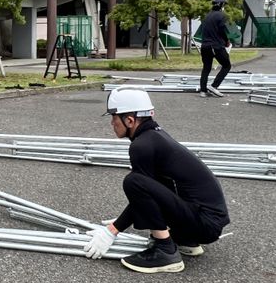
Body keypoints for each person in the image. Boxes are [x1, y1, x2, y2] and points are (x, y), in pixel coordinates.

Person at [84, 88, 230, 273]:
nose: (112, 122)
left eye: (114, 117)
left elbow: (141, 188)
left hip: (204, 223)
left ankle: (165, 251)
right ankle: (186, 241)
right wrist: (129, 217)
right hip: (206, 223)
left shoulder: (141, 146)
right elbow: (156, 190)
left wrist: (111, 231)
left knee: (133, 182)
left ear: (129, 120)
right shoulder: (155, 136)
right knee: (143, 183)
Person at [199, 0, 232, 98]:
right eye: (224, 4)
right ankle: (214, 86)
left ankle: (203, 91)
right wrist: (226, 40)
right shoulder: (221, 16)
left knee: (206, 68)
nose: (224, 7)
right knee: (227, 65)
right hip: (215, 46)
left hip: (204, 46)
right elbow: (222, 30)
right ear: (221, 4)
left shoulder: (207, 16)